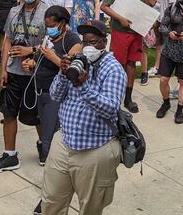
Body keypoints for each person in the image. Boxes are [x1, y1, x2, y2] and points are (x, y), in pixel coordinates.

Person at [38, 19, 125, 215]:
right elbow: (55, 96)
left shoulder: (113, 69)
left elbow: (110, 109)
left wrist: (83, 86)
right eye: (85, 42)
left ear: (104, 42)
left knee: (90, 208)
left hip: (95, 150)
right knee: (51, 201)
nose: (88, 47)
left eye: (93, 42)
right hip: (64, 143)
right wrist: (63, 73)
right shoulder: (76, 60)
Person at [0, 0, 47, 174]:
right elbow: (7, 41)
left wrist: (32, 51)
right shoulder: (13, 11)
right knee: (8, 112)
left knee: (36, 116)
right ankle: (9, 155)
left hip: (34, 73)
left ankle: (44, 145)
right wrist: (3, 69)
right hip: (13, 71)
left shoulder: (47, 13)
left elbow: (52, 43)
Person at [22, 6, 81, 165]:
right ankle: (46, 154)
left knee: (49, 134)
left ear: (62, 23)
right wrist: (32, 63)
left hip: (55, 94)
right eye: (47, 26)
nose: (49, 29)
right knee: (44, 128)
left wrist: (53, 56)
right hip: (40, 89)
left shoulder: (72, 40)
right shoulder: (48, 38)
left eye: (52, 25)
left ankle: (49, 163)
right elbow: (41, 60)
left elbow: (70, 68)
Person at [101, 0, 156, 113]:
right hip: (121, 32)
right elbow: (104, 6)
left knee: (132, 64)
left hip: (136, 32)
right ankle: (115, 96)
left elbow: (147, 5)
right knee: (119, 65)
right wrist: (120, 19)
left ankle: (128, 97)